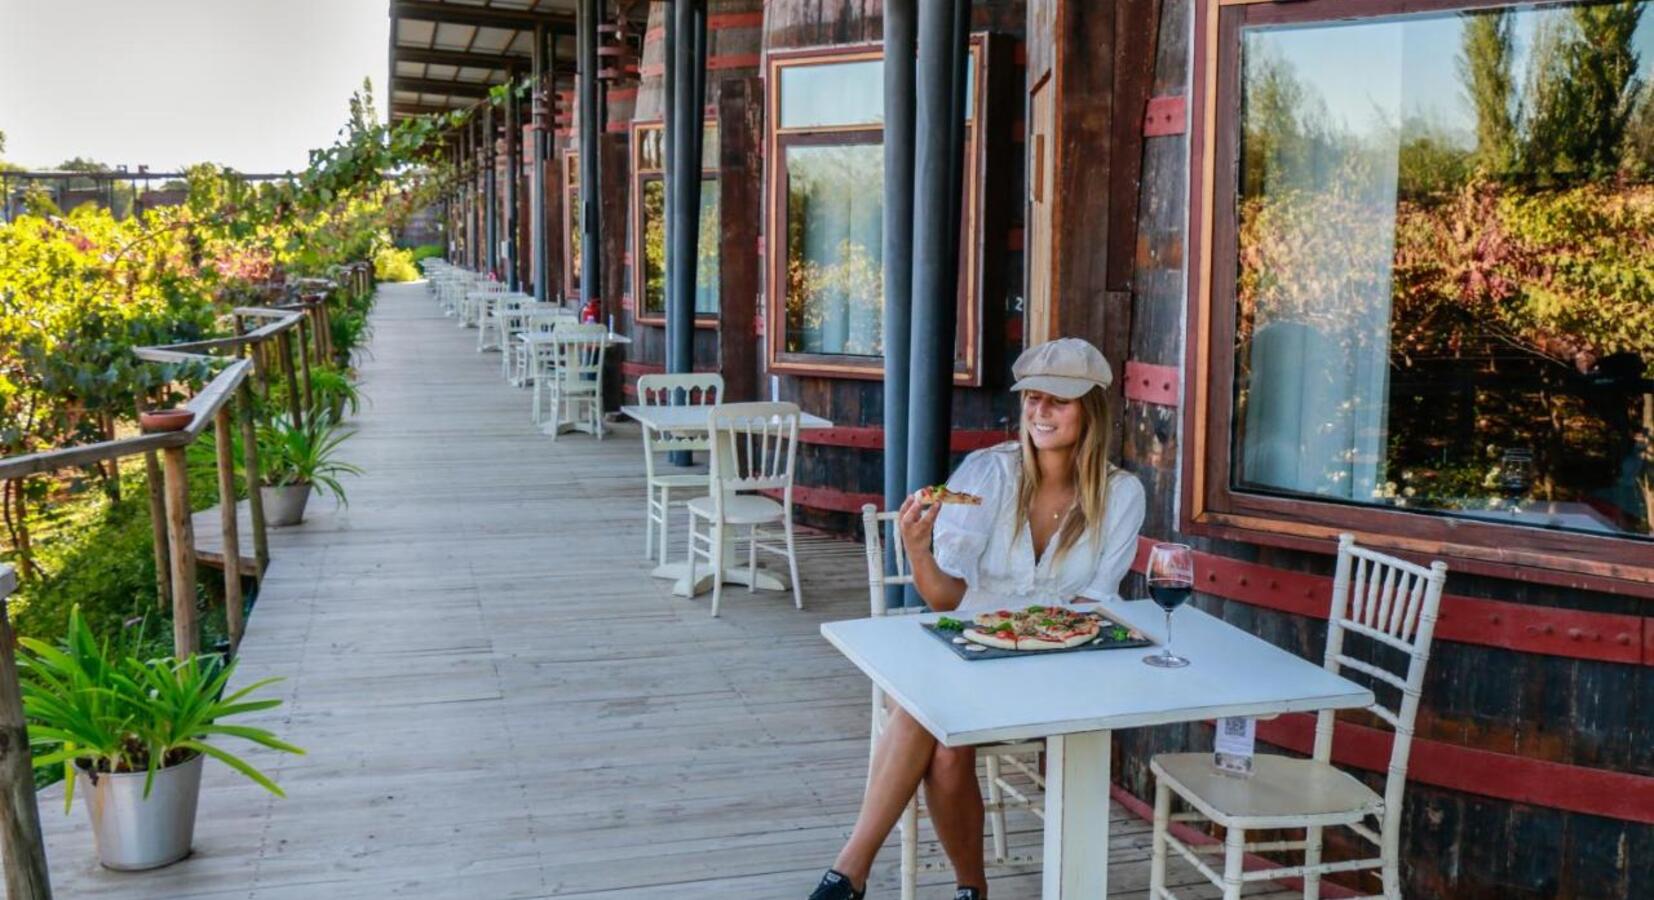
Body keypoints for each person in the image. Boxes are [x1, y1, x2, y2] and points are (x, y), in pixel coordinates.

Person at [809, 338, 1146, 900]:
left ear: (1092, 408)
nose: (1040, 412)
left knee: (922, 709)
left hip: (1060, 668)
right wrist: (918, 551)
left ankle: (858, 878)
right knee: (937, 732)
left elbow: (1095, 607)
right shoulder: (986, 475)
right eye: (1032, 399)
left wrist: (1034, 633)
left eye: (1058, 401)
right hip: (971, 648)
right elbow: (946, 600)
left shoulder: (1121, 494)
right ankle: (912, 879)